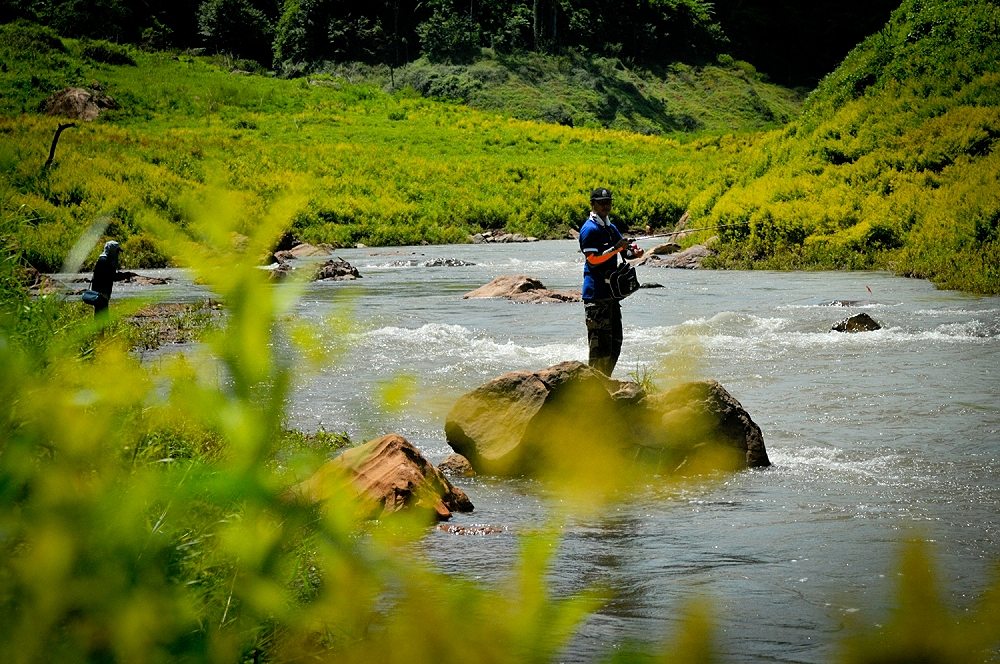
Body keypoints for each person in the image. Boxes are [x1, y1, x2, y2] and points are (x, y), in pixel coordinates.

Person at [578, 188, 644, 376]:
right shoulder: (589, 229)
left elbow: (625, 252)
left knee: (615, 344)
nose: (606, 206)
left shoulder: (610, 227)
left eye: (608, 202)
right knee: (599, 350)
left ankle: (604, 387)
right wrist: (616, 249)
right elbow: (593, 259)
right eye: (601, 202)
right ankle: (593, 392)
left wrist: (635, 253)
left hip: (612, 296)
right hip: (596, 297)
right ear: (593, 204)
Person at [90, 240, 123, 318]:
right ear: (112, 250)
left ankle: (100, 330)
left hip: (101, 293)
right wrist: (125, 275)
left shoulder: (104, 259)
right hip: (101, 294)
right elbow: (112, 276)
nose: (118, 253)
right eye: (117, 251)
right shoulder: (105, 261)